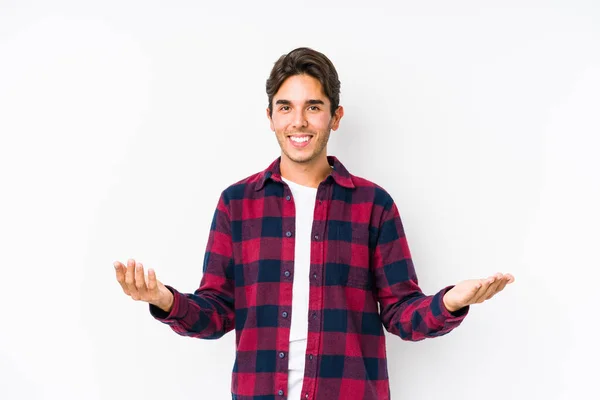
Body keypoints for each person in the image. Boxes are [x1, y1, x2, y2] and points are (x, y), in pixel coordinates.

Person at [114, 47, 515, 400]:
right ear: (270, 117)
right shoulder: (236, 204)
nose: (298, 121)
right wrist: (164, 300)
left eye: (314, 106)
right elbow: (217, 313)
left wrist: (450, 302)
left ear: (335, 116)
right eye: (285, 107)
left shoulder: (373, 205)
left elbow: (400, 314)